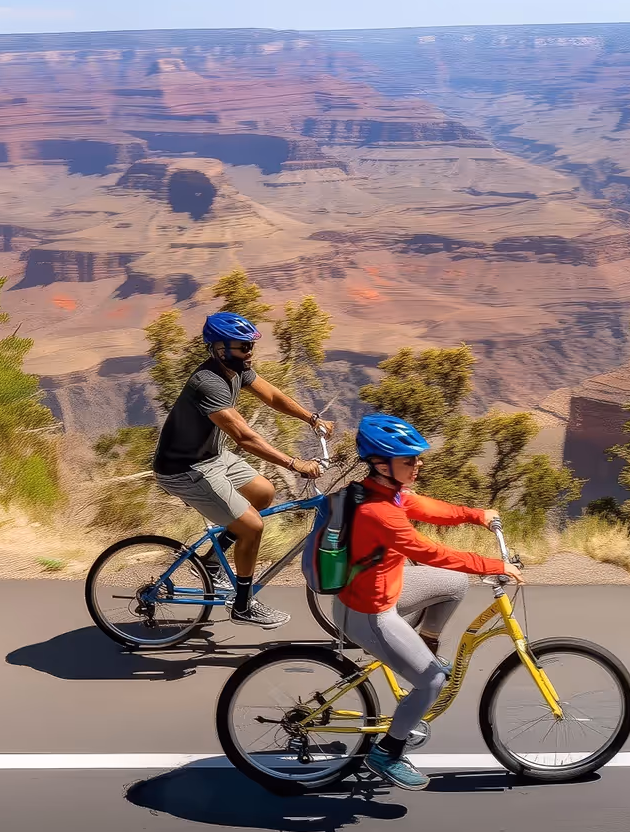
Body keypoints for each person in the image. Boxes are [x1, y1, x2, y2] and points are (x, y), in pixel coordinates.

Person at [337, 413, 523, 792]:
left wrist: (477, 516)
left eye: (417, 458)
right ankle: (387, 752)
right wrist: (494, 565)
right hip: (370, 613)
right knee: (433, 681)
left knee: (454, 584)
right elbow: (432, 552)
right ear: (381, 464)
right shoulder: (380, 513)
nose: (418, 464)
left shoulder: (383, 492)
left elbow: (429, 508)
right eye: (409, 460)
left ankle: (424, 647)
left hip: (384, 589)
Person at [151, 312, 332, 629]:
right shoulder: (208, 382)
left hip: (211, 458)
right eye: (242, 347)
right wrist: (295, 464)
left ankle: (210, 563)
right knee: (252, 527)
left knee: (263, 492)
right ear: (218, 348)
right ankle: (244, 605)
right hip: (183, 469)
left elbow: (273, 396)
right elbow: (245, 437)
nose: (249, 353)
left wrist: (311, 418)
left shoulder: (237, 370)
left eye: (250, 346)